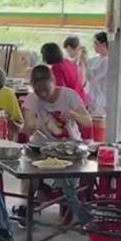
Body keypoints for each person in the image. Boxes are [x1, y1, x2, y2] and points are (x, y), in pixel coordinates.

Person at [21, 65, 93, 226]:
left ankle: (77, 213)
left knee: (69, 179)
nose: (43, 94)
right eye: (39, 91)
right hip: (41, 147)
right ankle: (26, 207)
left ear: (54, 81)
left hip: (69, 147)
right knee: (27, 171)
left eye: (46, 89)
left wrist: (73, 114)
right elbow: (28, 128)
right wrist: (32, 123)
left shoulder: (69, 96)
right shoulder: (33, 99)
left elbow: (88, 122)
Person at [41, 42, 88, 107]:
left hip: (72, 103)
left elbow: (61, 89)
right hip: (80, 97)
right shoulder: (67, 62)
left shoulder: (56, 68)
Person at [85, 32, 110, 117]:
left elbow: (91, 77)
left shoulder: (106, 61)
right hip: (94, 96)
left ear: (103, 44)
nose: (94, 46)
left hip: (101, 98)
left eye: (96, 43)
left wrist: (84, 61)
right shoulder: (97, 59)